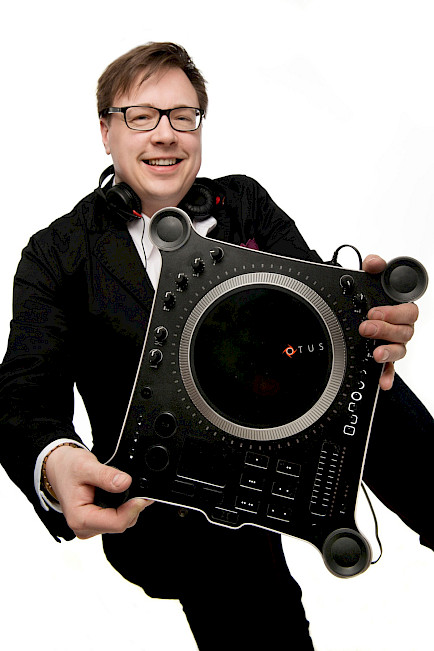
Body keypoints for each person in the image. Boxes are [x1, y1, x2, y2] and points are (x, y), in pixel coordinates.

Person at [0, 42, 432, 650]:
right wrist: (54, 461)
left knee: (371, 392)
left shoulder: (244, 203)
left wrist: (368, 327)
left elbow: (321, 309)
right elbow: (24, 394)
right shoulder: (57, 253)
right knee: (239, 574)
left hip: (291, 421)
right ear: (105, 131)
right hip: (173, 492)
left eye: (183, 116)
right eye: (141, 116)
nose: (166, 134)